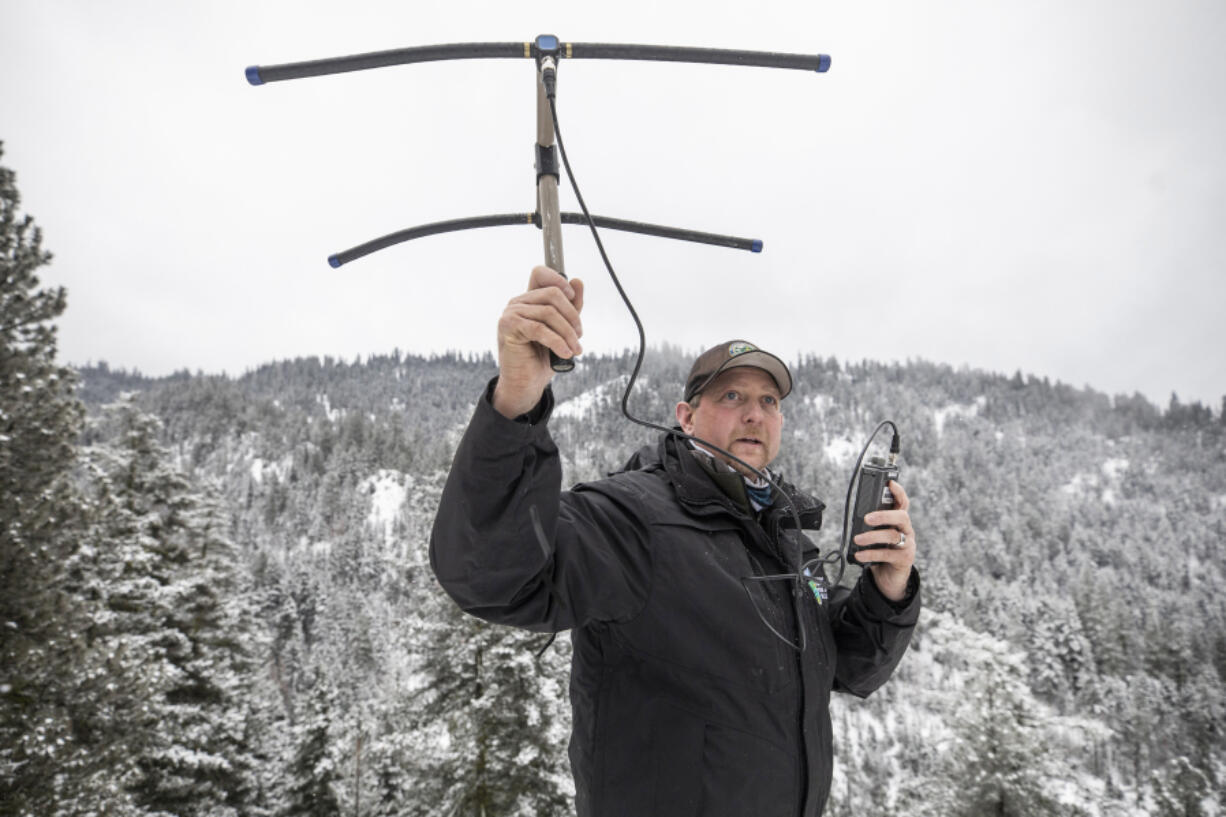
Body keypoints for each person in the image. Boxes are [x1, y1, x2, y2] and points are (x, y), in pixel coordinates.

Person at [430, 266, 921, 817]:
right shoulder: (633, 518)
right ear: (686, 417)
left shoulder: (786, 541)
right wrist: (515, 402)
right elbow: (493, 574)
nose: (755, 413)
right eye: (732, 395)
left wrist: (889, 586)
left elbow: (851, 670)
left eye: (770, 401)